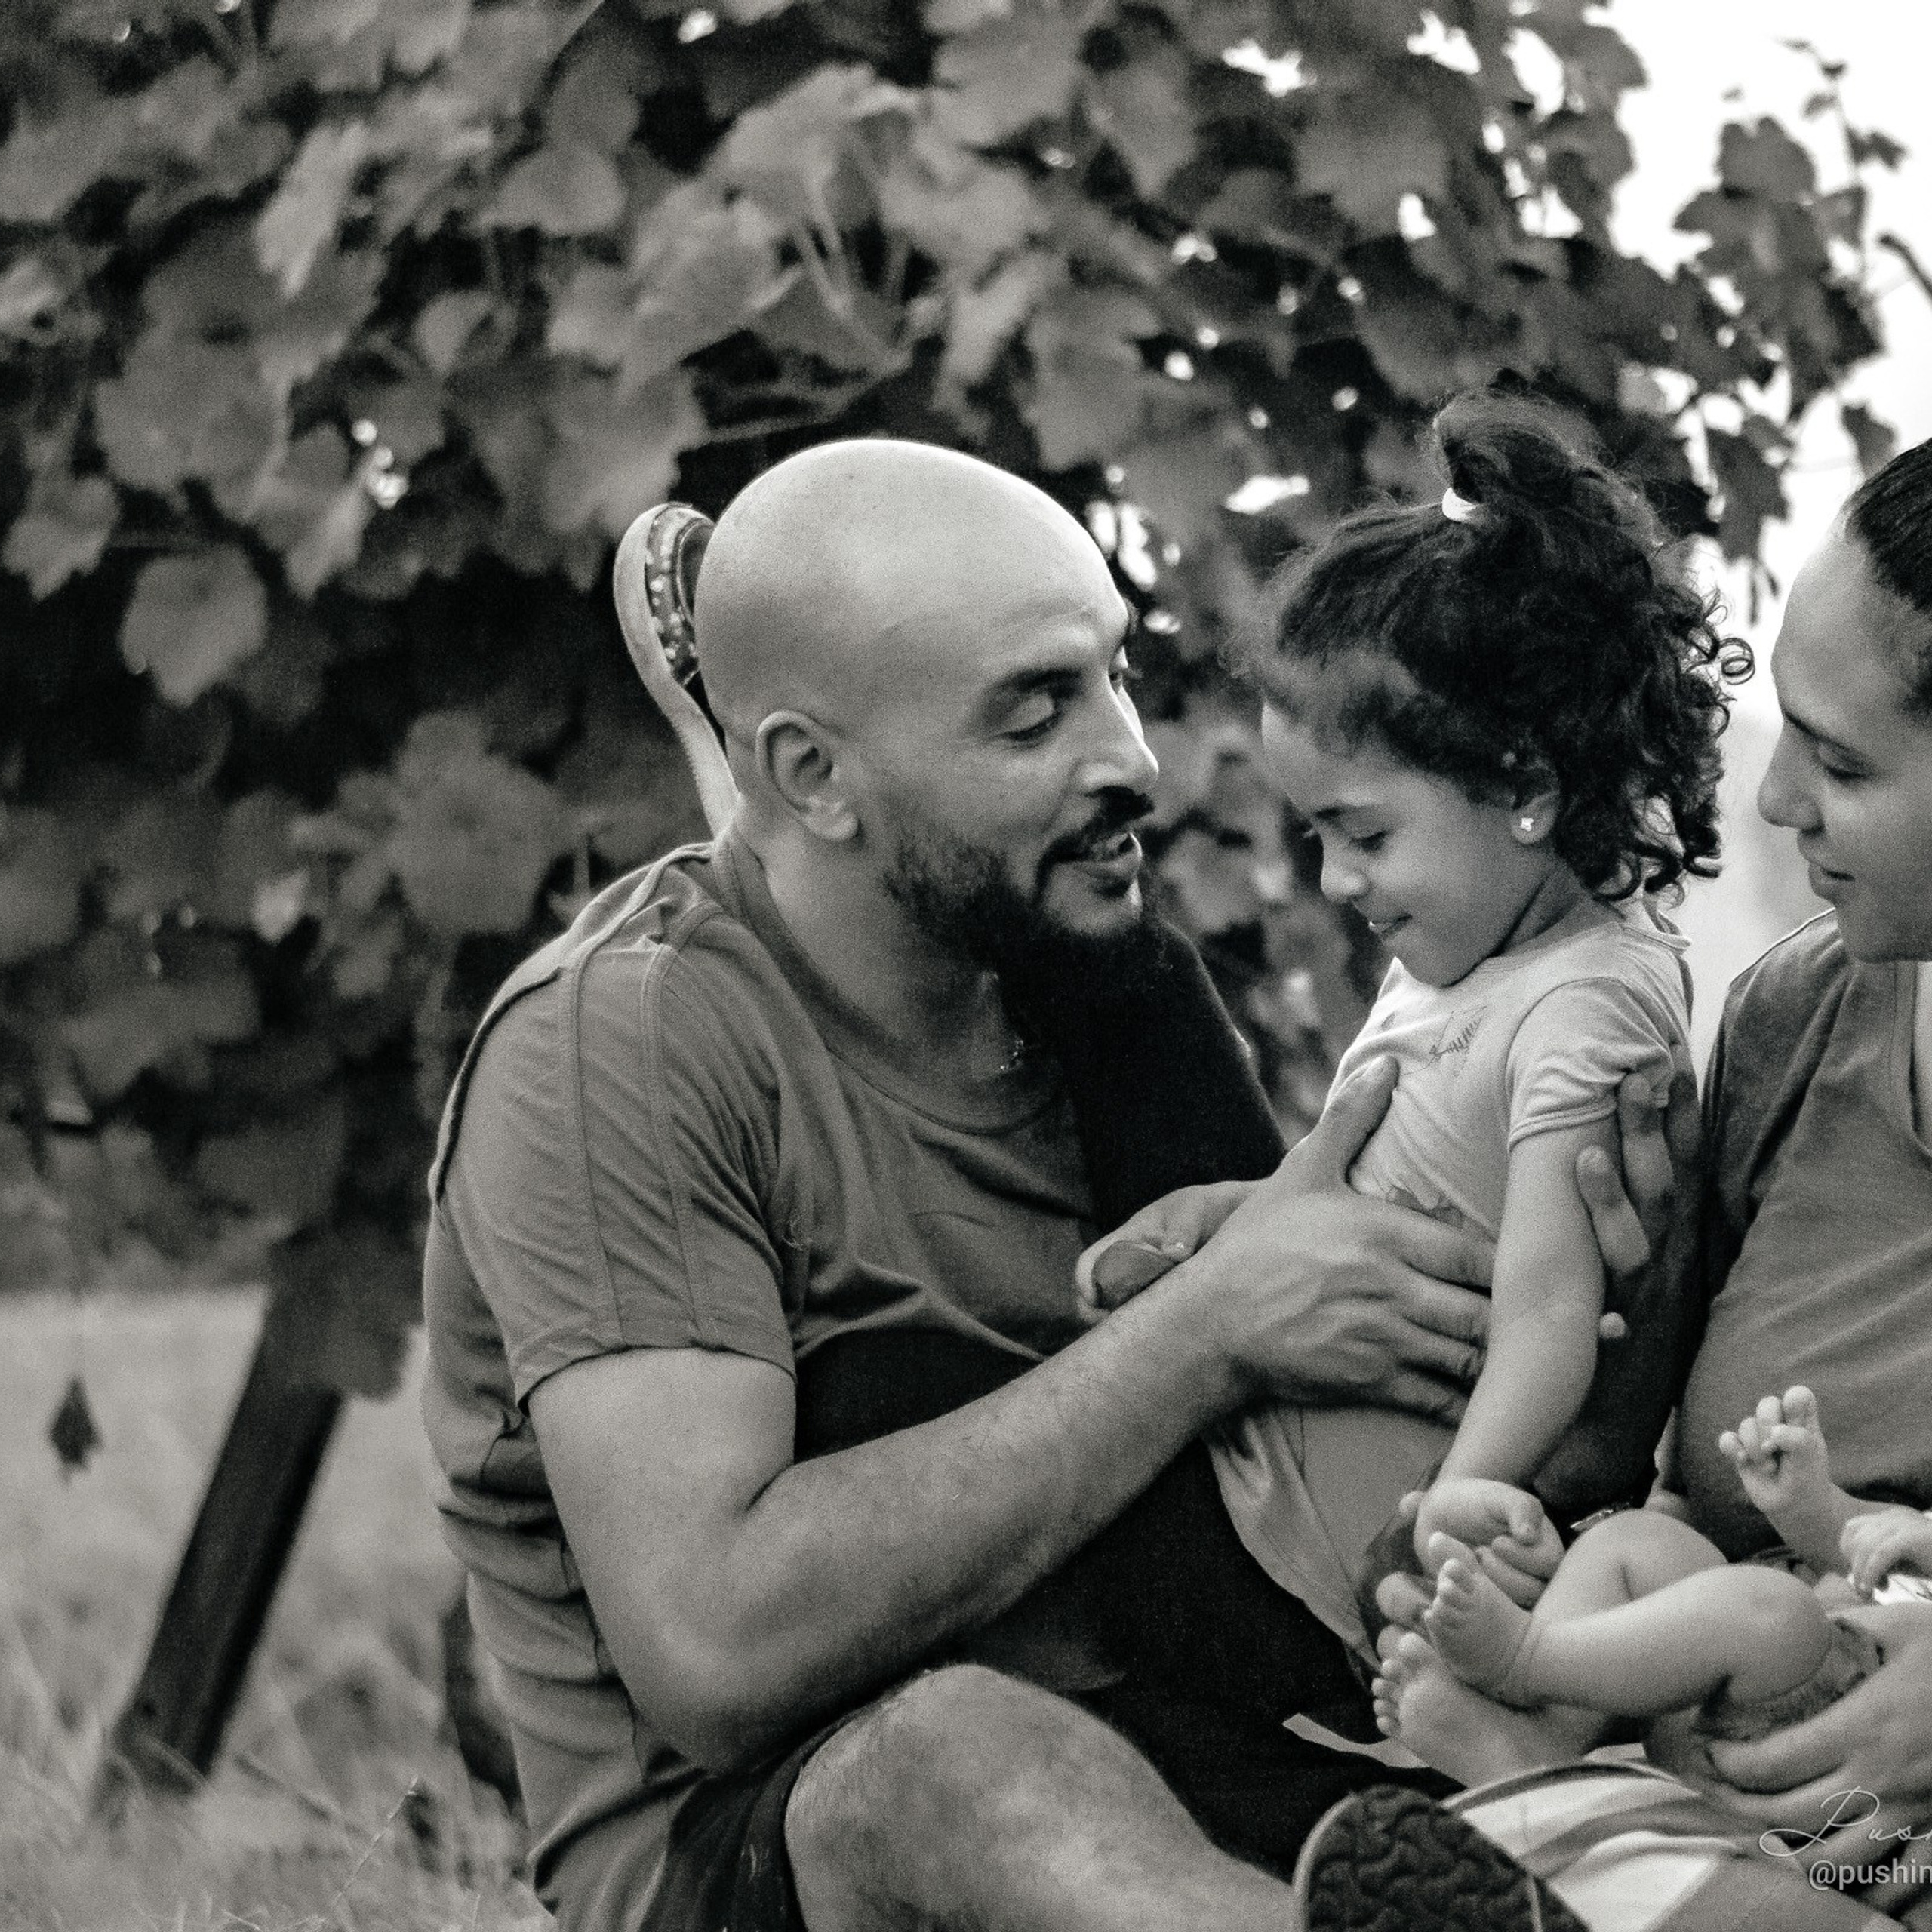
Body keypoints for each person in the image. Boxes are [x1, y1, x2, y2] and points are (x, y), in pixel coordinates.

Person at [418, 435, 1677, 1932]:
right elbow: (710, 1647)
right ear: (811, 772)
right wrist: (1204, 1324)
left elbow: (1321, 1481)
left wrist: (1613, 1297)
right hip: (777, 1837)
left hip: (1188, 1736)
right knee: (961, 1754)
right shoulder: (617, 1045)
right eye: (1033, 716)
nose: (1134, 761)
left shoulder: (1107, 985)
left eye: (1114, 677)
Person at [1324, 434, 1932, 1930]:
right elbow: (1625, 1472)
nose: (1774, 801)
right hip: (1722, 1773)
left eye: (1842, 762)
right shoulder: (1797, 1021)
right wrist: (1518, 1496)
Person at [1203, 395, 1737, 1655]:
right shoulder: (1464, 938)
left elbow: (1551, 1309)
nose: (1337, 882)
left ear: (1526, 793)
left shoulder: (1585, 998)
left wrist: (1454, 1508)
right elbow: (1385, 1173)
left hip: (1322, 1563)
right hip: (1250, 1477)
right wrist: (1210, 1233)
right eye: (1317, 838)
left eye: (1365, 834)